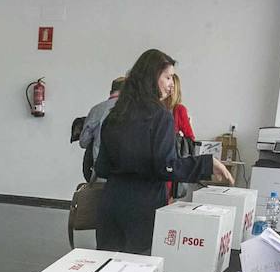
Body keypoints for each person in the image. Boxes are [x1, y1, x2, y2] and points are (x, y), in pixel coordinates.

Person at [96, 50, 231, 253]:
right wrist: (207, 163)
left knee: (106, 270)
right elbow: (166, 167)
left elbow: (102, 166)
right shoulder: (160, 116)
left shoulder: (114, 114)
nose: (171, 84)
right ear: (152, 77)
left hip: (111, 204)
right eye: (168, 77)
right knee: (135, 270)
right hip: (143, 207)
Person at [78, 76, 124, 181]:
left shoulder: (97, 110)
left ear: (111, 91)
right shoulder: (135, 110)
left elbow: (83, 142)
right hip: (127, 176)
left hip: (101, 173)